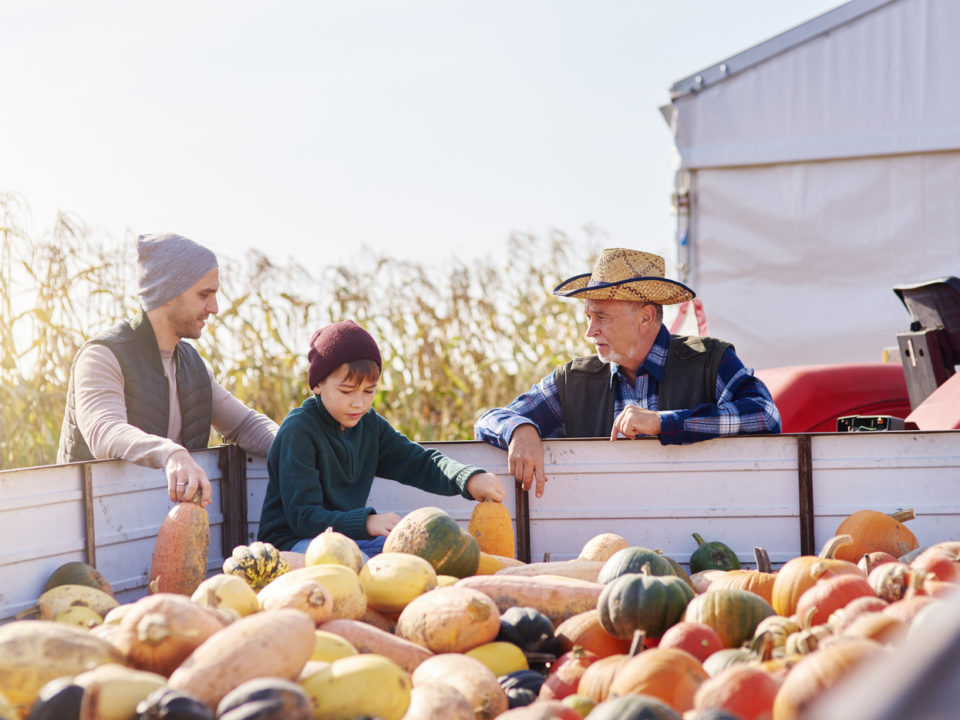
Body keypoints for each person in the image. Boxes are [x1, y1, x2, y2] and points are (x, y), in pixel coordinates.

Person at [474, 247, 781, 498]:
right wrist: (520, 430)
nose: (589, 331)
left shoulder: (710, 359)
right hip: (604, 542)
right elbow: (488, 421)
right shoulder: (573, 380)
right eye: (588, 317)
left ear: (646, 317)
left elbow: (765, 415)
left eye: (601, 317)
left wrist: (663, 423)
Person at [57, 233, 278, 508]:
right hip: (93, 530)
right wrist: (172, 454)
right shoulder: (102, 355)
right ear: (169, 293)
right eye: (204, 295)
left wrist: (298, 447)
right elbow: (105, 431)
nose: (215, 308)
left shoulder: (193, 366)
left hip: (163, 525)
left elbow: (245, 425)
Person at [257, 320, 506, 556]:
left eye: (369, 391)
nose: (359, 403)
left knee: (417, 555)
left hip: (347, 540)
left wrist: (467, 478)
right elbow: (304, 518)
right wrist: (366, 522)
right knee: (363, 569)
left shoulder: (369, 426)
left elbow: (420, 462)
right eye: (346, 391)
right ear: (318, 384)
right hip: (293, 544)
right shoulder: (299, 430)